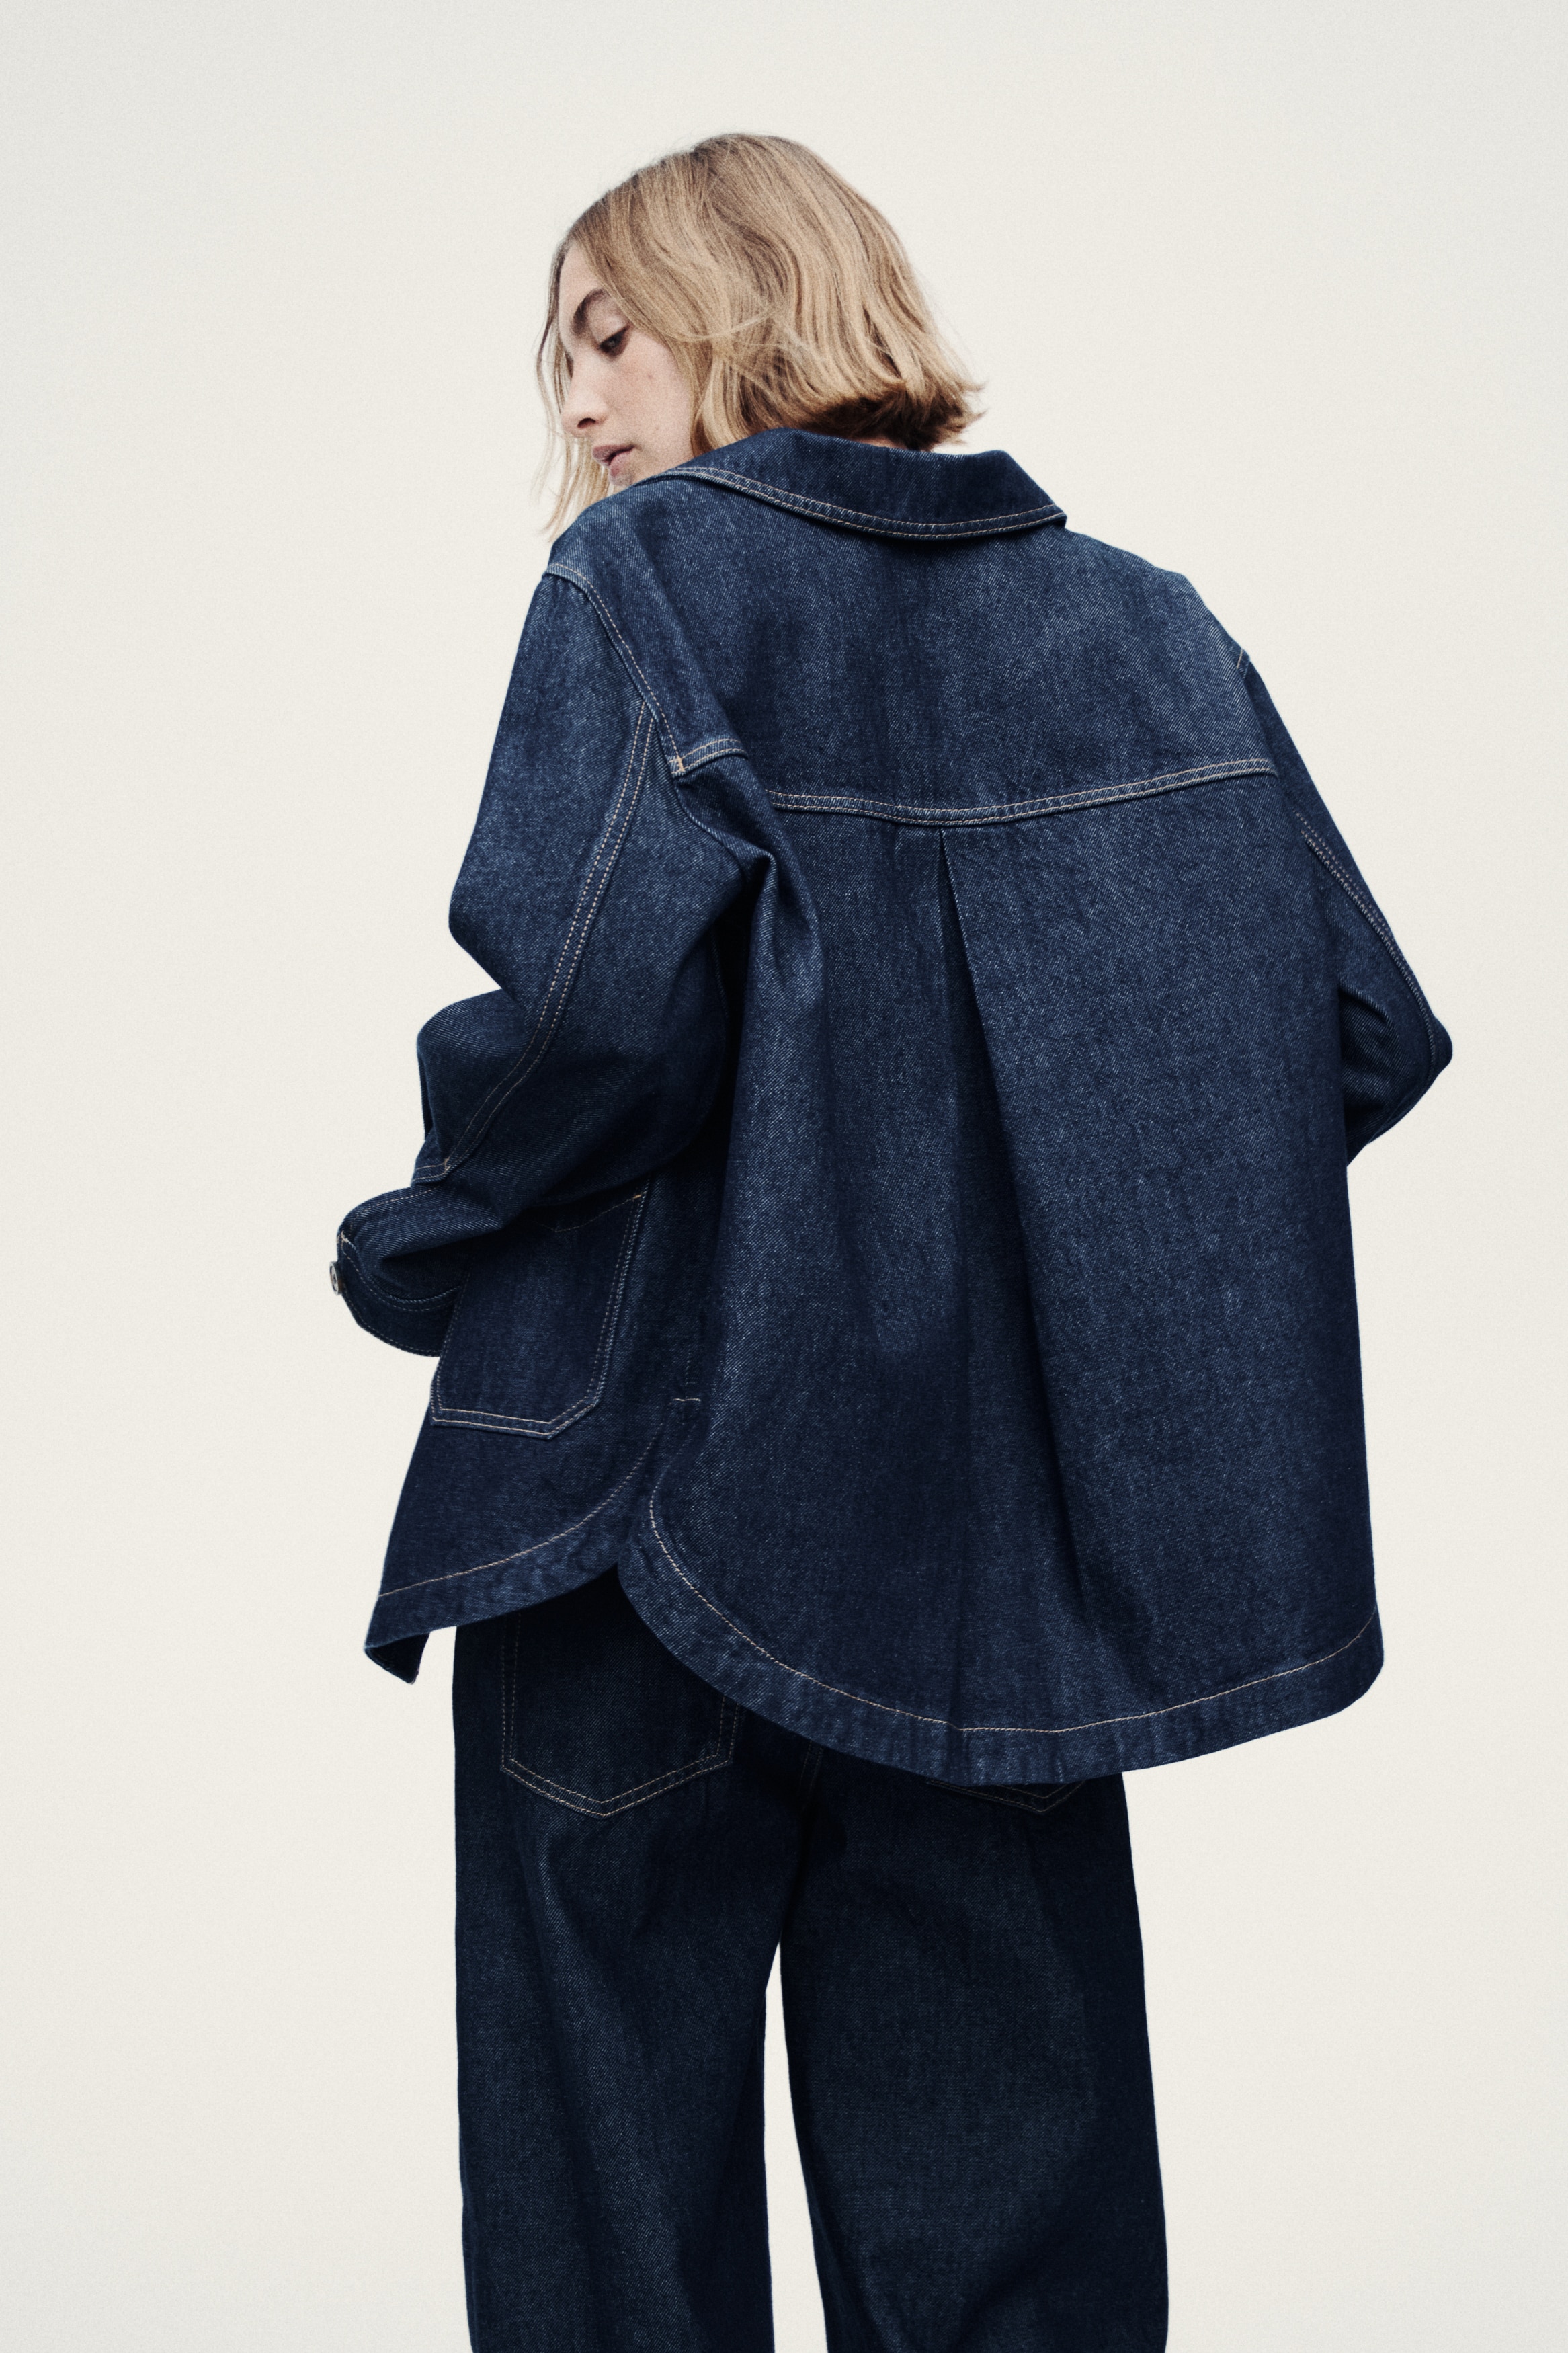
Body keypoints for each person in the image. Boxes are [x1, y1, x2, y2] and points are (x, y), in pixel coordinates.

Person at [332, 134, 1450, 2353]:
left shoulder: (647, 579)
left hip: (632, 1510)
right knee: (1008, 2257)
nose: (579, 401)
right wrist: (1062, 1232)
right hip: (993, 1579)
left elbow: (587, 1018)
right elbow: (1350, 1022)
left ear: (748, 297)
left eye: (608, 332)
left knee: (609, 2236)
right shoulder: (1148, 626)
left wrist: (428, 1224)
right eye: (560, 360)